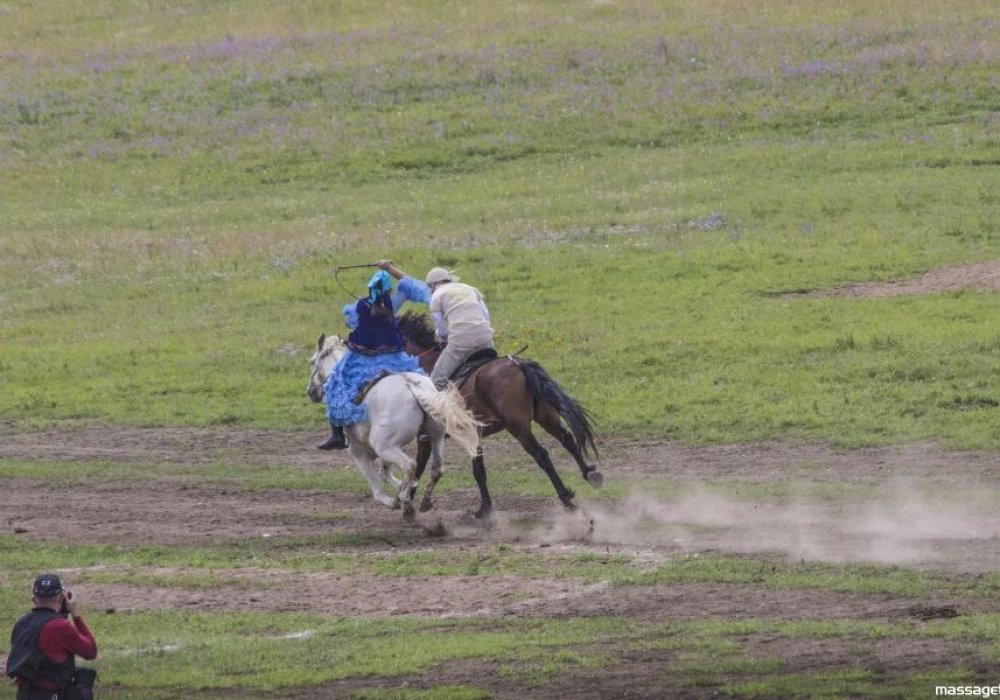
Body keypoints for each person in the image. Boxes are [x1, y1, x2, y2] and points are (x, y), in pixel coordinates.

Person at [318, 269, 425, 449]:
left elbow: (352, 322)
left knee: (334, 383)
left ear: (370, 288)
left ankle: (337, 435)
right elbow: (411, 285)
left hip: (364, 358)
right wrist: (389, 268)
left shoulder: (360, 305)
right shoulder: (392, 303)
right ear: (388, 291)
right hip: (393, 356)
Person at [383, 264, 495, 389]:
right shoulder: (471, 288)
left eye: (430, 288)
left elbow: (440, 326)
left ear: (433, 285)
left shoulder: (436, 295)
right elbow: (485, 314)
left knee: (435, 384)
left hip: (460, 343)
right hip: (486, 338)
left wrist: (443, 340)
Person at [6, 573, 98, 700]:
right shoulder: (60, 626)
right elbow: (90, 651)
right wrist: (76, 614)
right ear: (61, 598)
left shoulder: (21, 623)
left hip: (24, 695)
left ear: (34, 599)